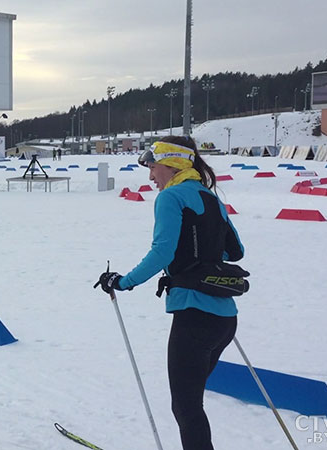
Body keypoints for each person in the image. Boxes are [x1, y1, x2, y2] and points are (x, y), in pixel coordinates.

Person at [94, 135, 245, 450]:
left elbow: (162, 252)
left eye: (153, 167)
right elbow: (235, 251)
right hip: (224, 320)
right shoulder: (210, 197)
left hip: (194, 317)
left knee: (186, 408)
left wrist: (123, 282)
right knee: (191, 405)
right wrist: (201, 252)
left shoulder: (171, 197)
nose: (150, 177)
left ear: (171, 163)